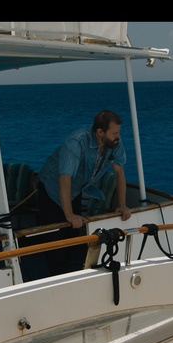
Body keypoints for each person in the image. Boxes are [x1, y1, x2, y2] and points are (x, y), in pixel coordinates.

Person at [36, 110, 132, 276]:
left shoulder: (113, 142)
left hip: (75, 190)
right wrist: (69, 214)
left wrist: (122, 205)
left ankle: (75, 274)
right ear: (100, 132)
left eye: (119, 132)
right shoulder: (76, 142)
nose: (119, 136)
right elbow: (64, 178)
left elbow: (119, 172)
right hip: (51, 189)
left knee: (74, 236)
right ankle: (56, 277)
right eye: (115, 133)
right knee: (55, 241)